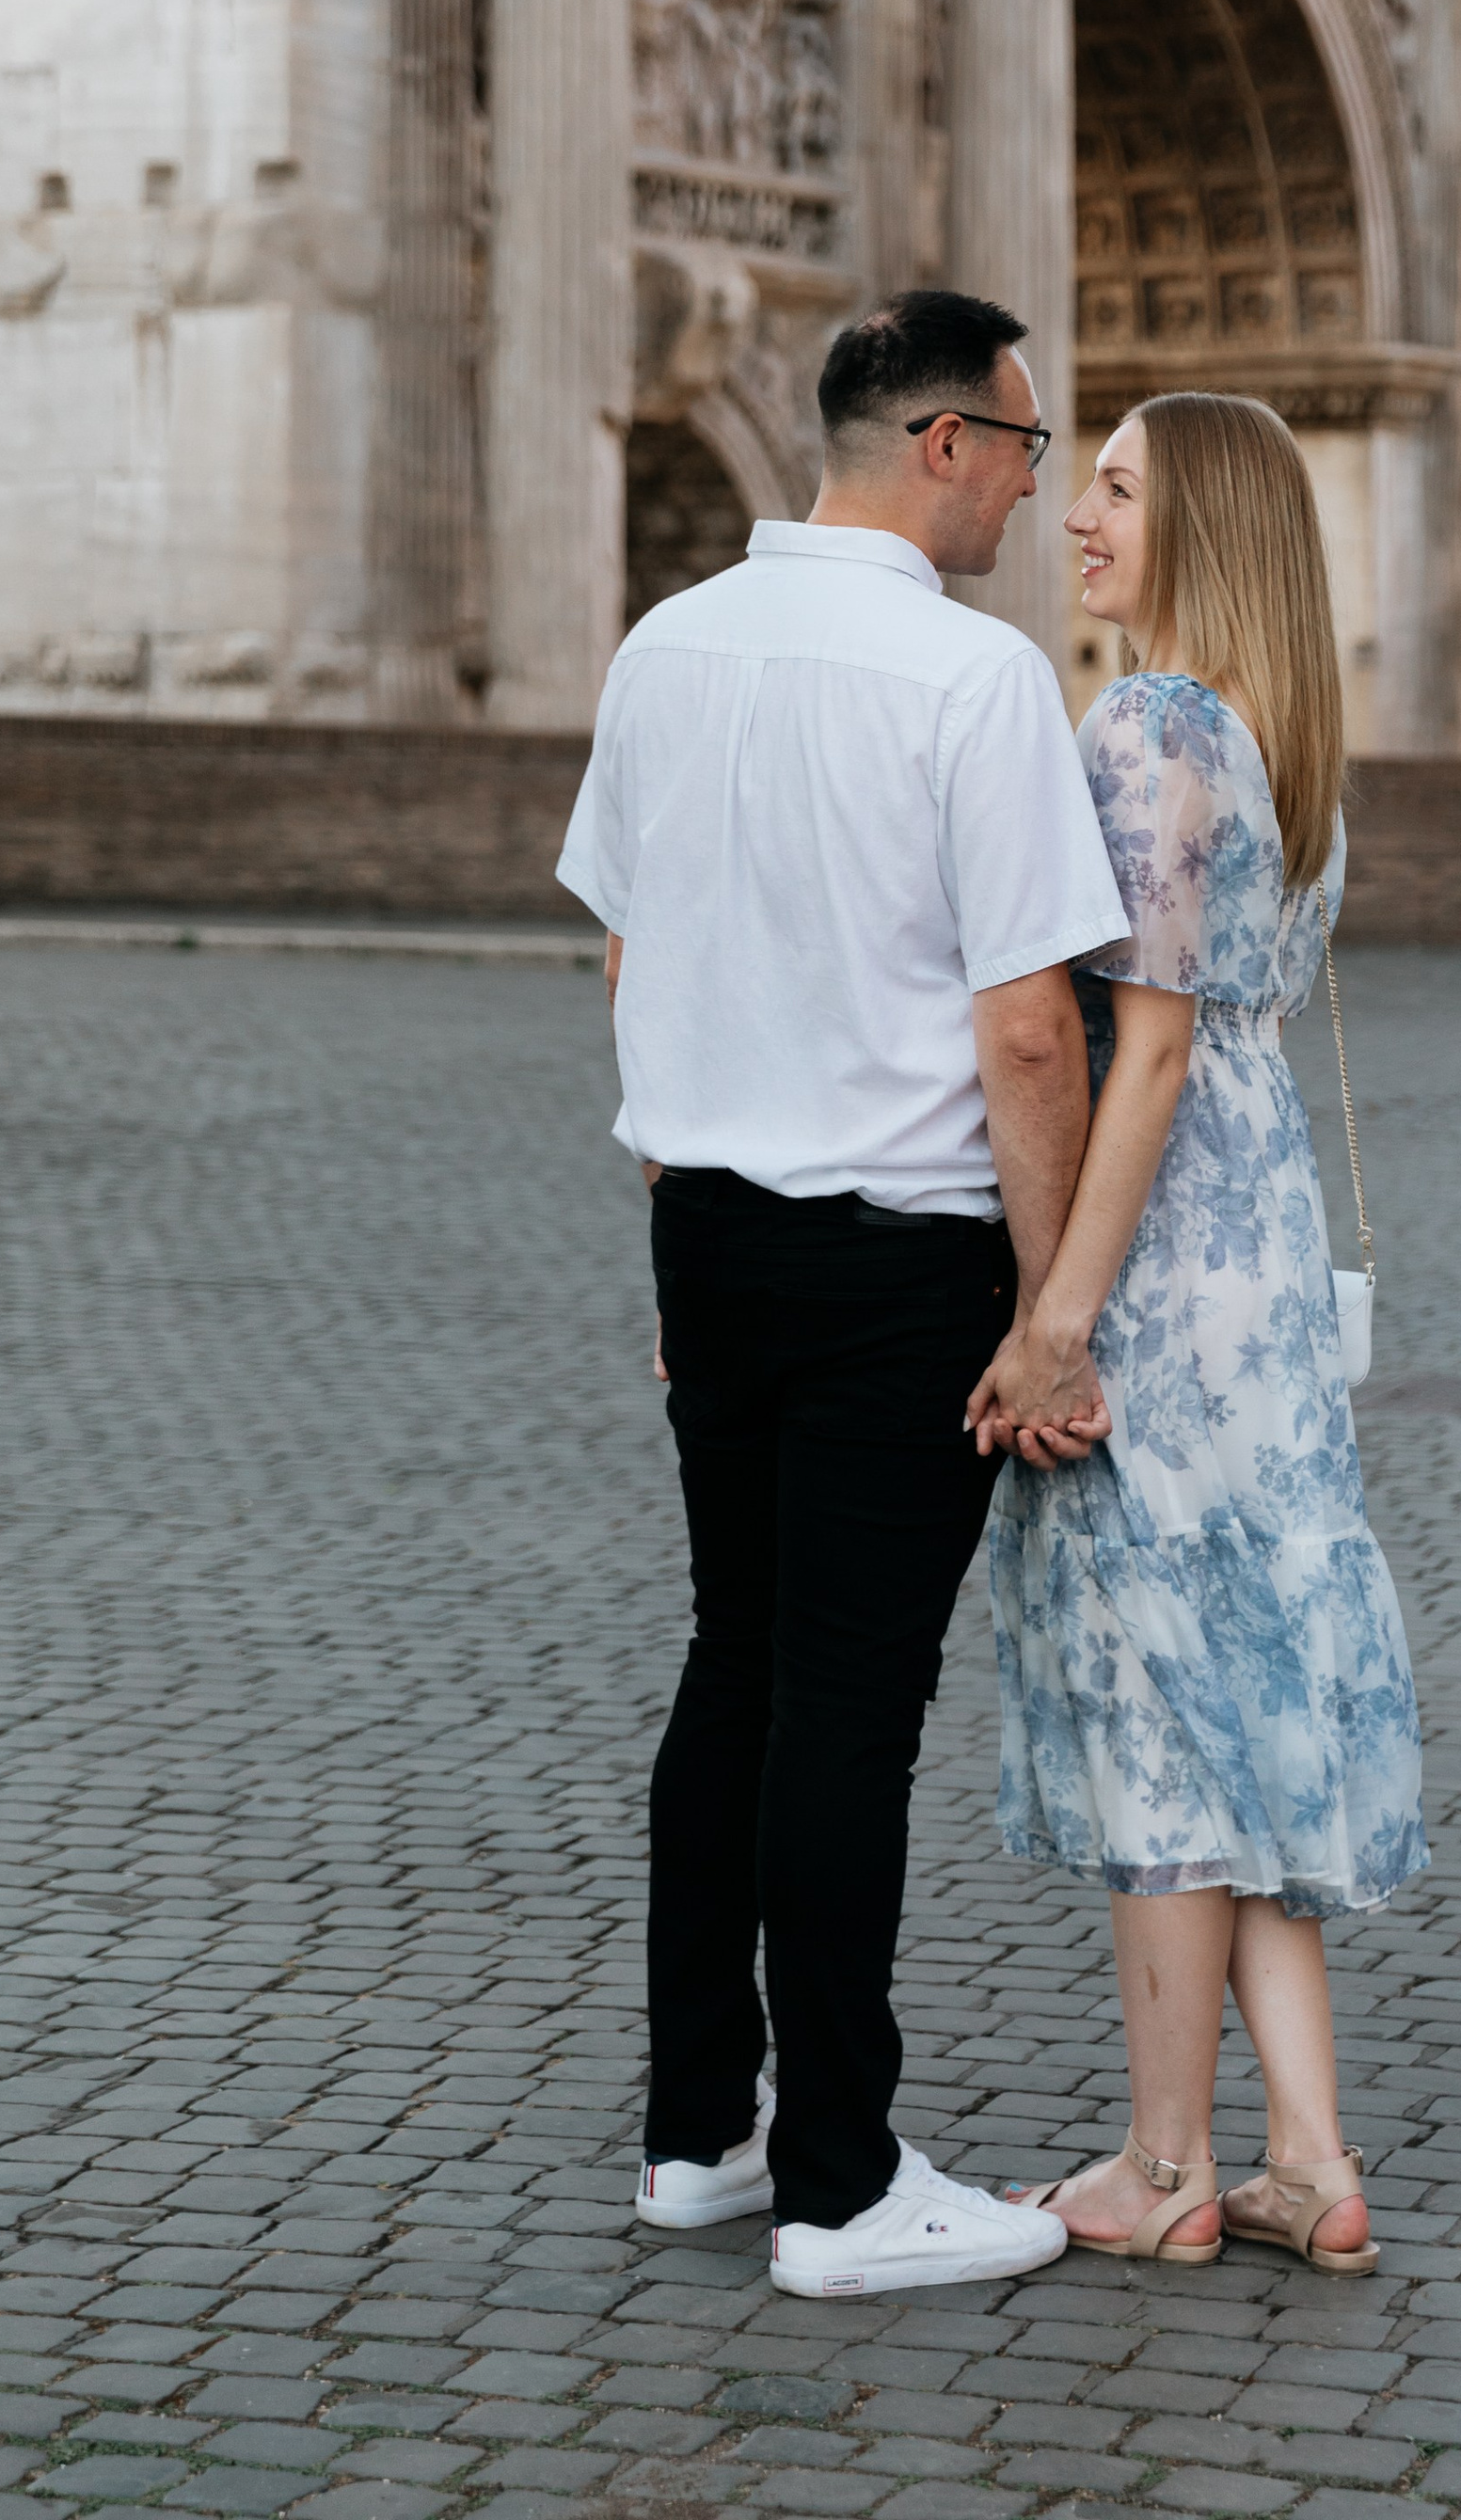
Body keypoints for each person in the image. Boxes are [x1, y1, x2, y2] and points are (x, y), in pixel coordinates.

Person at [557, 290, 1131, 2300]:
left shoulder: (664, 645)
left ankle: (694, 2135)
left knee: (734, 1667)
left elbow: (631, 961)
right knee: (845, 1711)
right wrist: (1051, 1309)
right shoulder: (968, 684)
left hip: (706, 1225)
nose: (1036, 484)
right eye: (1032, 446)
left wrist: (683, 1204)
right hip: (902, 1258)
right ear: (949, 443)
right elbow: (1028, 1034)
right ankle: (839, 2182)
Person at [977, 389, 1429, 2274]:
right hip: (1264, 1247)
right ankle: (1307, 2157)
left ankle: (1164, 2162)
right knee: (1252, 1681)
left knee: (1157, 1699)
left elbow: (1135, 1045)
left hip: (1157, 1258)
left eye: (1114, 491)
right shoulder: (1275, 737)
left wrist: (1056, 1316)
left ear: (1199, 529)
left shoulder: (1148, 723)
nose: (1074, 514)